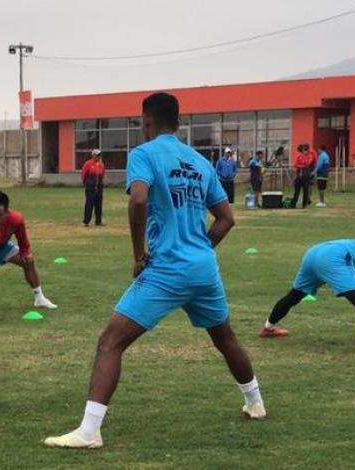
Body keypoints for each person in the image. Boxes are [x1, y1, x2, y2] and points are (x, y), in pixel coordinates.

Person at [44, 92, 265, 450]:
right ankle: (255, 403)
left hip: (166, 270)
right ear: (177, 123)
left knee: (110, 342)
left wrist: (138, 254)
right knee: (224, 338)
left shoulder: (143, 154)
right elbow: (227, 218)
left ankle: (89, 432)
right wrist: (200, 250)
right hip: (203, 269)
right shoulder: (198, 161)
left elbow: (139, 199)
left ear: (146, 121)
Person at [81, 149, 106, 226]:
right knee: (89, 204)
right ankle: (86, 221)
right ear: (93, 155)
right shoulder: (88, 164)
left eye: (100, 155)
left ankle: (98, 221)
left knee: (98, 204)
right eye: (97, 155)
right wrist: (86, 184)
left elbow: (103, 174)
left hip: (99, 187)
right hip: (90, 187)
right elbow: (83, 174)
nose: (99, 157)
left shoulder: (101, 165)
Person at [290, 144, 314, 208]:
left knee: (306, 191)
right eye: (304, 150)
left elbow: (307, 164)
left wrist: (301, 165)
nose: (305, 151)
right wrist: (301, 165)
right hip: (299, 176)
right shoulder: (299, 156)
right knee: (296, 191)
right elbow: (295, 165)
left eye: (306, 150)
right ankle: (293, 204)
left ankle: (304, 204)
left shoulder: (310, 156)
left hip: (306, 175)